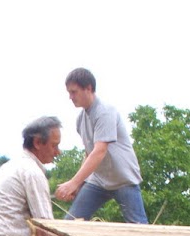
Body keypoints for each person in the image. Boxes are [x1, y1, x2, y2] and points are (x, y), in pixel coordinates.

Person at [53, 68, 147, 224]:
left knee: (140, 230)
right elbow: (88, 153)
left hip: (123, 178)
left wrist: (73, 182)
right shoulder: (80, 120)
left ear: (88, 88)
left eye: (74, 92)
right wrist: (79, 185)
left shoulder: (105, 112)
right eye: (69, 93)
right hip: (99, 181)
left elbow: (99, 151)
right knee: (71, 223)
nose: (70, 97)